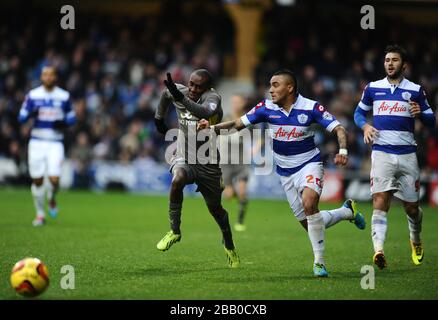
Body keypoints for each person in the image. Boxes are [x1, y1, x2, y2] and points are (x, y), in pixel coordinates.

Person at [199, 69, 365, 277]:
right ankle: (346, 212)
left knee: (309, 204)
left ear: (290, 88)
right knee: (311, 222)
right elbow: (236, 124)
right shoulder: (265, 108)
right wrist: (211, 128)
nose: (270, 90)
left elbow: (339, 128)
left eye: (275, 85)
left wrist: (342, 151)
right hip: (285, 172)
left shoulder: (311, 107)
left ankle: (319, 263)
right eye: (270, 85)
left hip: (309, 164)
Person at [354, 45, 436, 269]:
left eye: (395, 60)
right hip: (381, 153)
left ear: (404, 65)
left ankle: (416, 239)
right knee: (380, 201)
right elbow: (358, 113)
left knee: (411, 207)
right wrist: (365, 126)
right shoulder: (373, 88)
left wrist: (421, 114)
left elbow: (431, 118)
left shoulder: (416, 90)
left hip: (407, 155)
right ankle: (378, 250)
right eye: (387, 60)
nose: (390, 63)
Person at [154, 70, 240, 268]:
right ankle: (174, 231)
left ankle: (228, 243)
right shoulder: (180, 92)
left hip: (208, 163)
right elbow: (166, 95)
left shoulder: (213, 98)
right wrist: (159, 118)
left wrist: (179, 96)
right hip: (185, 156)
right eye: (190, 84)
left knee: (216, 210)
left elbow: (203, 112)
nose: (192, 89)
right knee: (177, 180)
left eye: (198, 86)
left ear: (207, 88)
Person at [18, 66, 76, 226]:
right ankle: (40, 214)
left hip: (55, 142)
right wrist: (31, 113)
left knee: (54, 179)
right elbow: (21, 117)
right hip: (36, 141)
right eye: (45, 75)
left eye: (51, 75)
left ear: (55, 77)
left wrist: (63, 123)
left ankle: (51, 197)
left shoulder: (64, 96)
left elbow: (72, 118)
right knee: (37, 181)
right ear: (41, 77)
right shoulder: (33, 95)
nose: (48, 77)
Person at [219, 94, 251, 232]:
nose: (235, 104)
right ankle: (241, 200)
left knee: (243, 191)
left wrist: (255, 148)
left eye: (237, 101)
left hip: (240, 161)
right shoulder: (225, 117)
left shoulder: (247, 119)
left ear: (243, 102)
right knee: (228, 195)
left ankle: (240, 221)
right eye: (233, 102)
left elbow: (260, 135)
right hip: (225, 161)